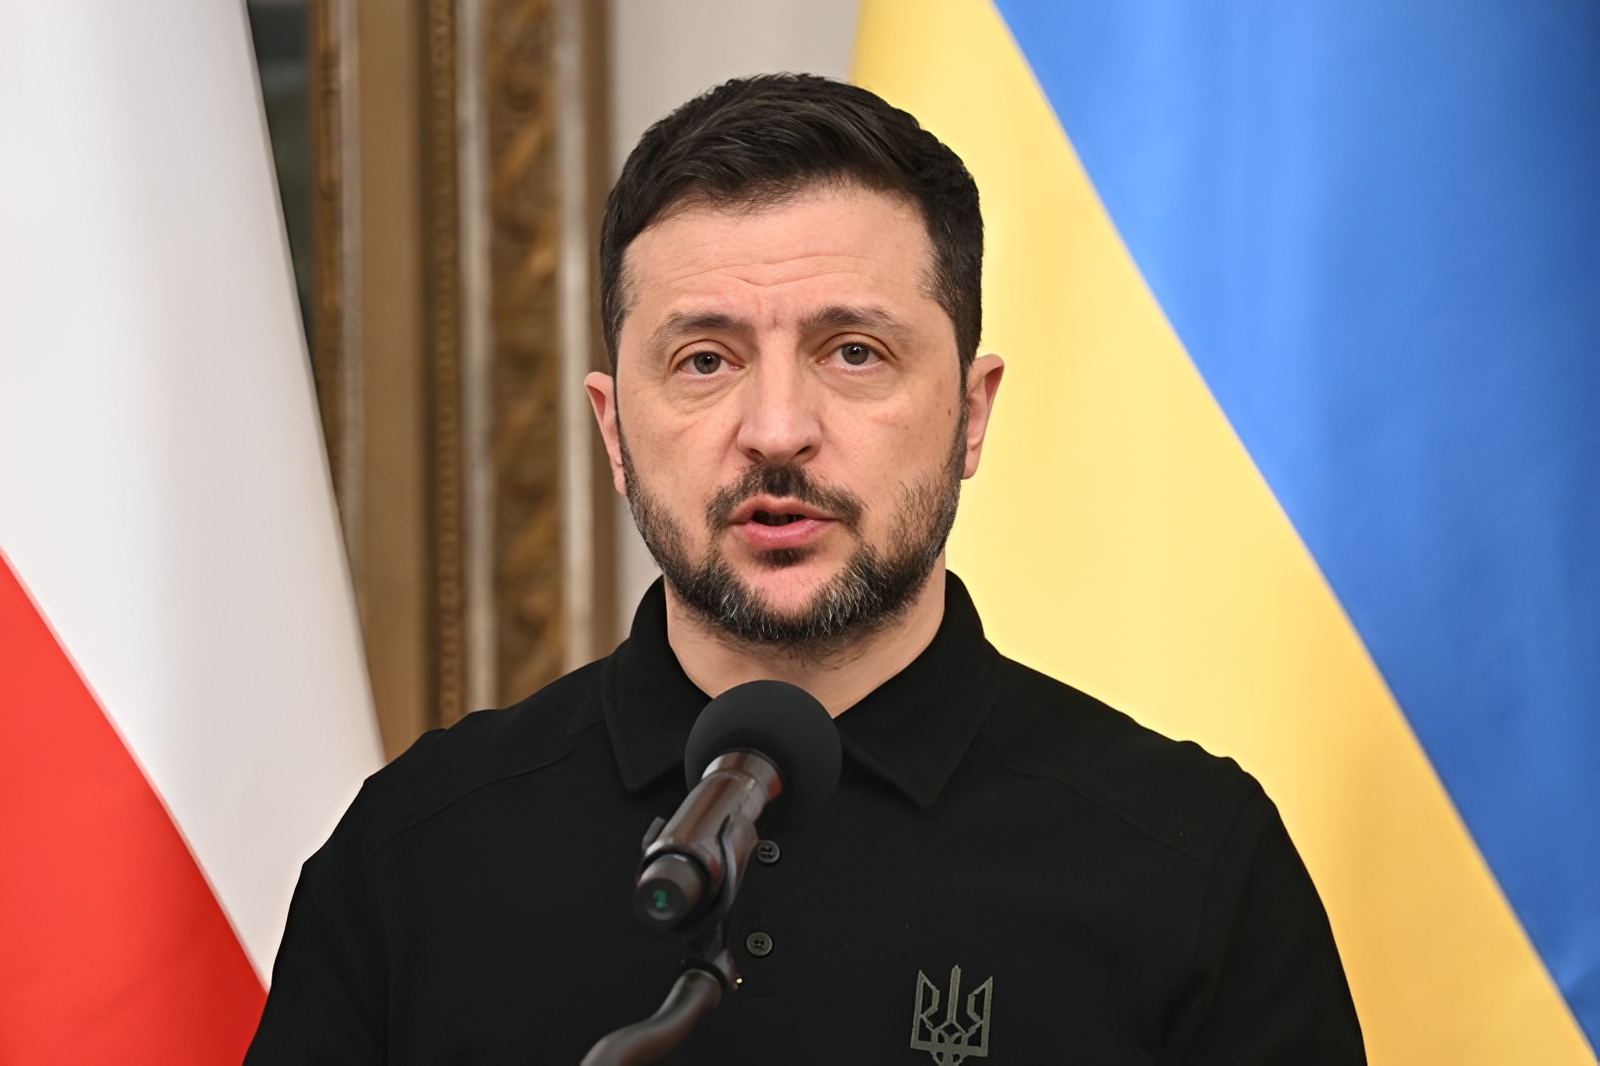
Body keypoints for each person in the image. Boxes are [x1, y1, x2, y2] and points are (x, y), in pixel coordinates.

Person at [246, 74, 1364, 1064]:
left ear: (971, 415)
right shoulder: (415, 856)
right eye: (704, 360)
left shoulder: (1187, 864)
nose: (777, 429)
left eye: (854, 352)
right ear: (614, 429)